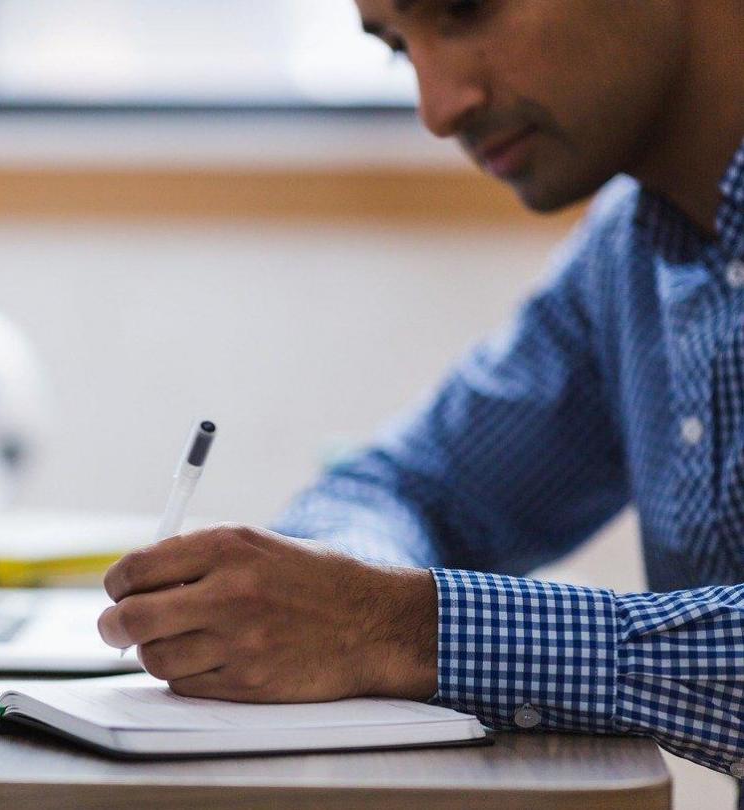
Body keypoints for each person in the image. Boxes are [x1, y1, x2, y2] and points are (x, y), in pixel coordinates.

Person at [96, 0, 744, 788]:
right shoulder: (630, 255)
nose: (438, 110)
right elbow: (412, 486)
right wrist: (323, 603)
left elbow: (393, 615)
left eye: (466, 11)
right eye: (399, 48)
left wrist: (402, 629)